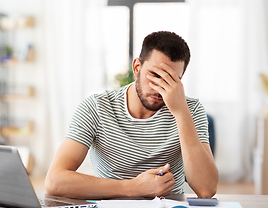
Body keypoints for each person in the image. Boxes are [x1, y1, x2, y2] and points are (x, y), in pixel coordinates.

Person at [45, 31, 218, 199]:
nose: (159, 88)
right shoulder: (97, 107)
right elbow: (55, 181)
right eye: (155, 75)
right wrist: (134, 188)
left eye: (171, 80)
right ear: (137, 67)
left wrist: (181, 113)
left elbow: (206, 189)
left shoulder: (191, 109)